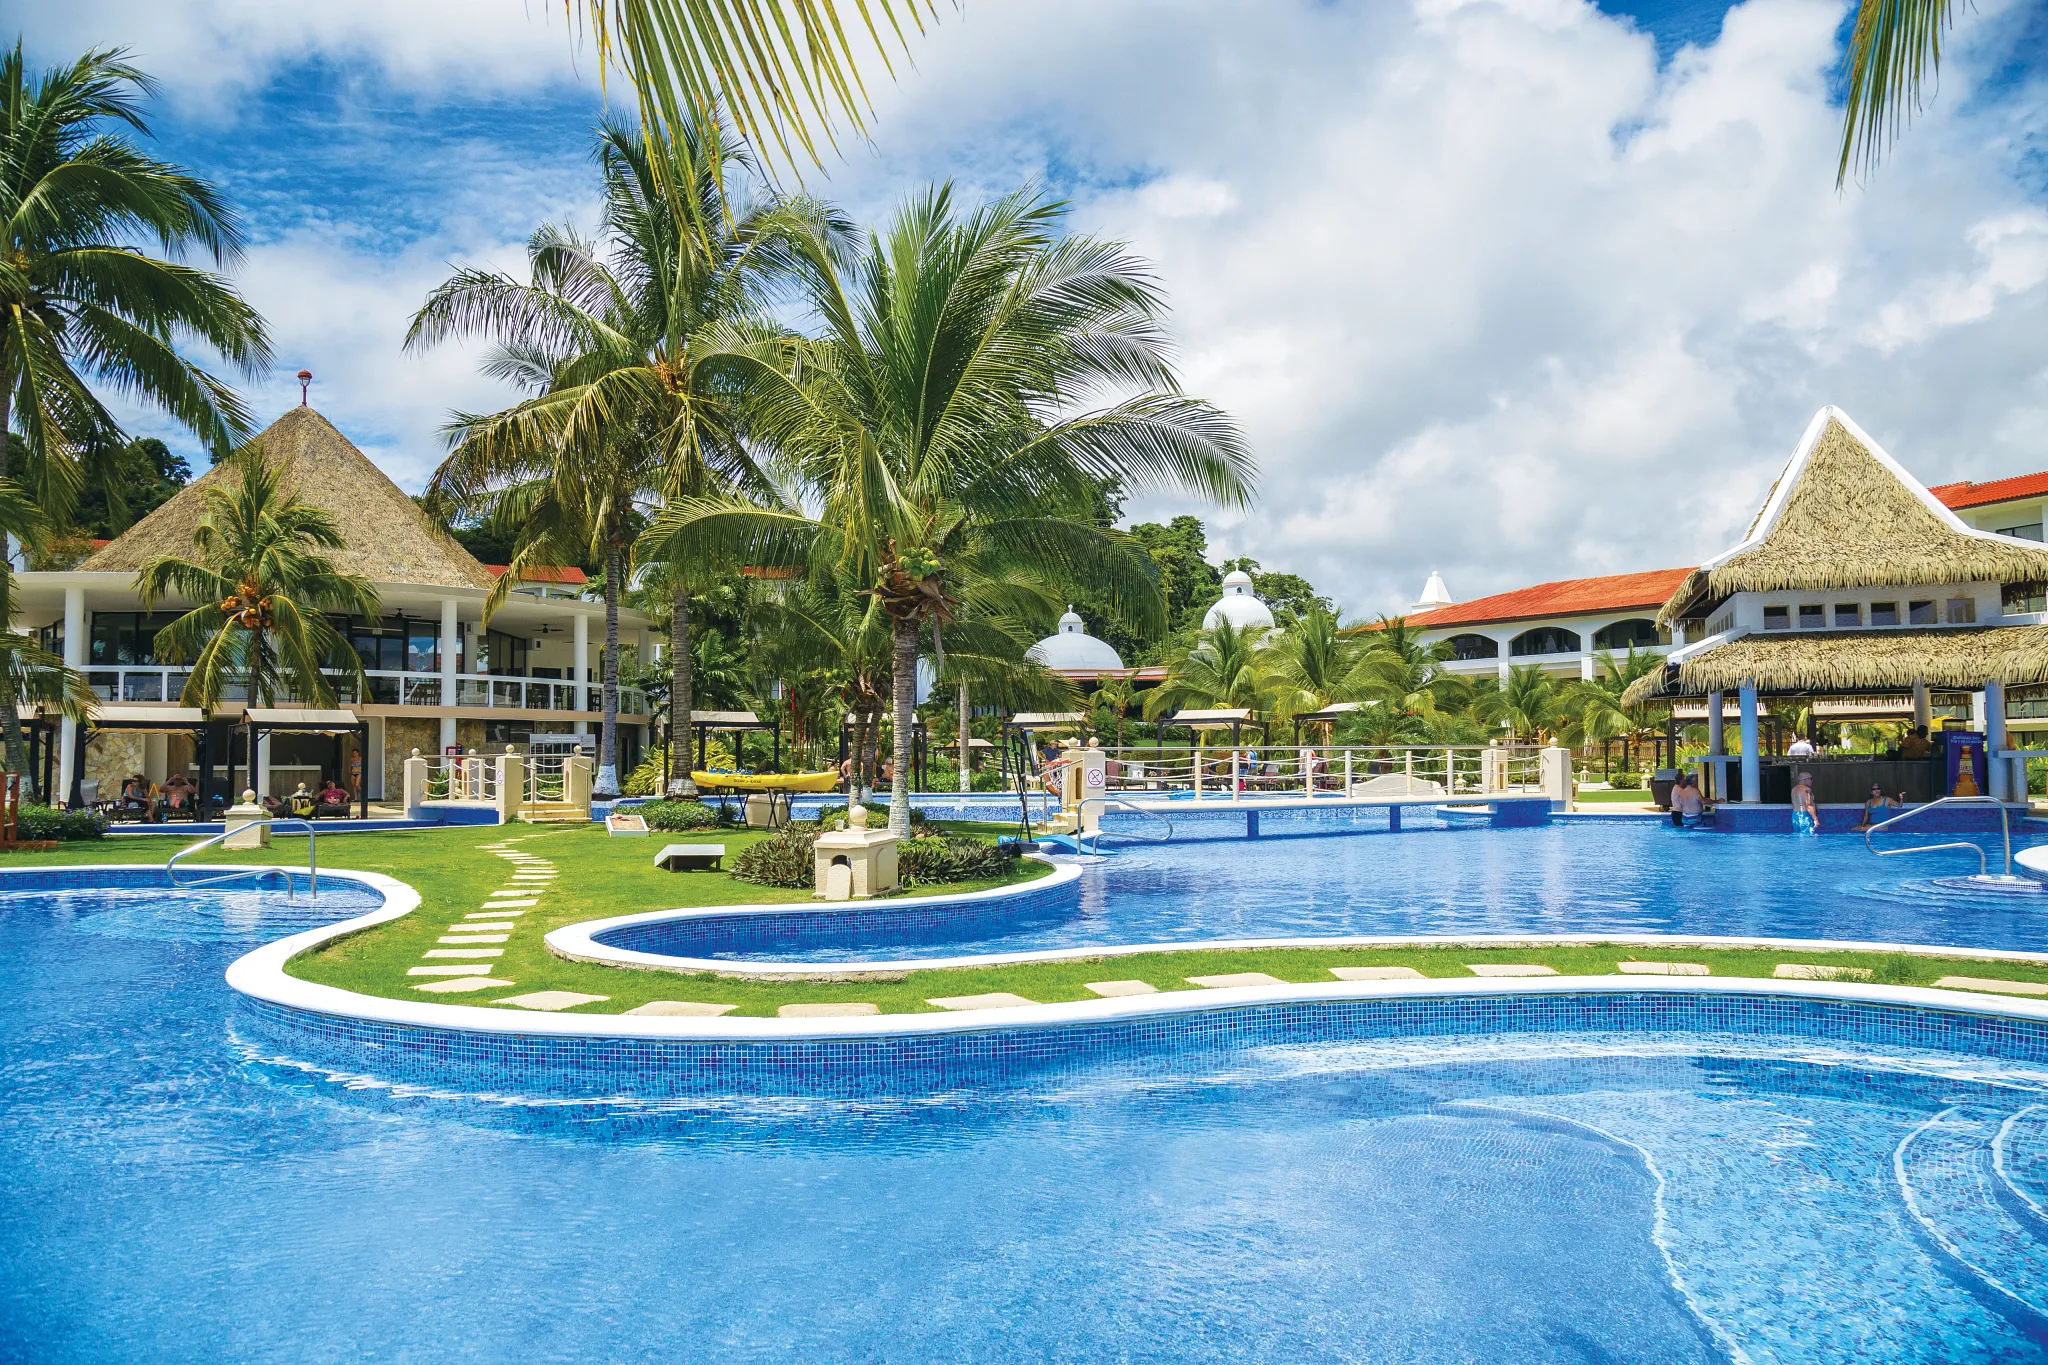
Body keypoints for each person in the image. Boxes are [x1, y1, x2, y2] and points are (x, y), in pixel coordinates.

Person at [1790, 770, 1818, 836]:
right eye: (1811, 778)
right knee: (1809, 836)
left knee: (1798, 836)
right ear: (1805, 779)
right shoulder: (1806, 789)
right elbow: (1808, 805)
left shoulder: (1794, 789)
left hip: (1795, 815)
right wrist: (1815, 819)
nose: (1812, 781)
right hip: (1805, 816)